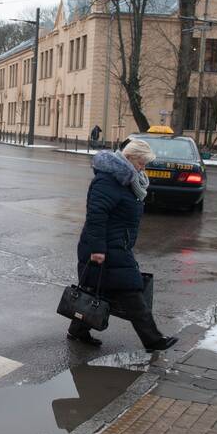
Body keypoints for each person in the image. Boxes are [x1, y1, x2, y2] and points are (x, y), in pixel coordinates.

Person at [69, 139, 178, 351]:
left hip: (118, 245)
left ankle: (77, 330)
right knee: (131, 290)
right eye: (141, 163)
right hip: (105, 247)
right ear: (128, 159)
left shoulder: (128, 180)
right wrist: (98, 249)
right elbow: (96, 216)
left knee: (96, 290)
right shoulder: (108, 181)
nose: (143, 168)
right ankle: (154, 341)